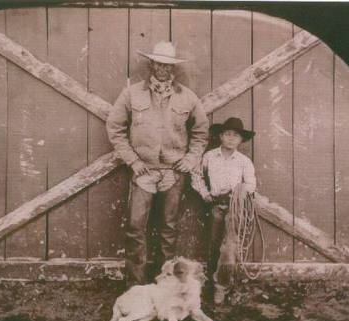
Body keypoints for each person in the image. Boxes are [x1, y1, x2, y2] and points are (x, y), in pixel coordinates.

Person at [106, 41, 209, 286]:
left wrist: (190, 158)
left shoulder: (188, 97)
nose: (162, 69)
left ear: (173, 69)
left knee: (168, 229)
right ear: (151, 64)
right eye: (158, 63)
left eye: (167, 65)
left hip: (173, 173)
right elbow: (115, 128)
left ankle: (165, 285)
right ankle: (136, 286)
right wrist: (132, 160)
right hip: (143, 171)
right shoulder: (132, 94)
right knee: (135, 228)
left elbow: (201, 132)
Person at [191, 117, 256, 304]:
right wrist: (204, 193)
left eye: (235, 136)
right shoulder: (209, 157)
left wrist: (239, 193)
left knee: (229, 247)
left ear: (240, 140)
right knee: (213, 244)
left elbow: (251, 185)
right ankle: (211, 282)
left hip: (234, 208)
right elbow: (196, 175)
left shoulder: (244, 162)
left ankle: (222, 286)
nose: (231, 138)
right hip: (215, 205)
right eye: (227, 134)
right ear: (221, 136)